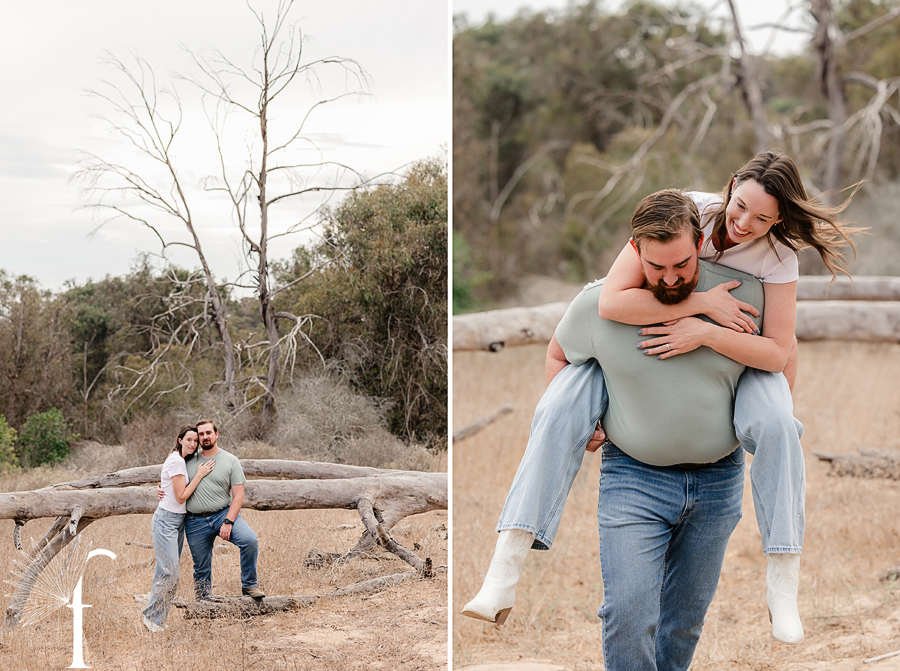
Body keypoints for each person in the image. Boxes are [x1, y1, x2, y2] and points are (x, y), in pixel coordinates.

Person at [463, 152, 860, 644]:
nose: (743, 224)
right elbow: (608, 302)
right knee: (563, 398)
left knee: (779, 421)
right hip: (636, 464)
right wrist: (700, 302)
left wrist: (704, 332)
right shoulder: (685, 214)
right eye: (740, 207)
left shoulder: (777, 258)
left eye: (763, 218)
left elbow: (781, 350)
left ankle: (783, 579)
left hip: (731, 411)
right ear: (729, 188)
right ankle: (506, 565)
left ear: (778, 219)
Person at [142, 425, 215, 633]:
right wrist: (199, 475)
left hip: (178, 521)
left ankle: (154, 618)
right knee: (170, 573)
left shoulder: (182, 459)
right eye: (189, 439)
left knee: (164, 572)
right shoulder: (176, 460)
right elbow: (181, 496)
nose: (193, 444)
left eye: (195, 441)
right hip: (166, 521)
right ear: (180, 439)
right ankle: (153, 619)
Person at [183, 418, 265, 601]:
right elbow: (173, 480)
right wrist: (161, 488)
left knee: (249, 540)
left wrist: (228, 521)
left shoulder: (230, 460)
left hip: (222, 514)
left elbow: (238, 496)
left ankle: (249, 586)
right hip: (194, 521)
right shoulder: (188, 460)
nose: (205, 437)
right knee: (201, 566)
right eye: (201, 434)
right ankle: (204, 602)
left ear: (216, 434)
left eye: (208, 433)